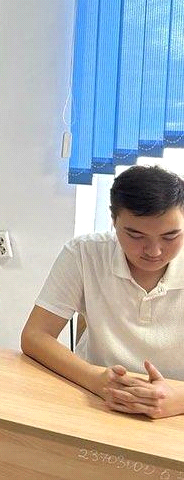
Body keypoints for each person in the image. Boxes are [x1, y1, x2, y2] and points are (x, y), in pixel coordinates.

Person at [21, 164, 184, 419]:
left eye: (170, 236)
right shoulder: (84, 253)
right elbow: (35, 335)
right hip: (95, 400)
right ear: (114, 220)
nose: (154, 251)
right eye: (135, 235)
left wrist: (179, 401)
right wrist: (95, 380)